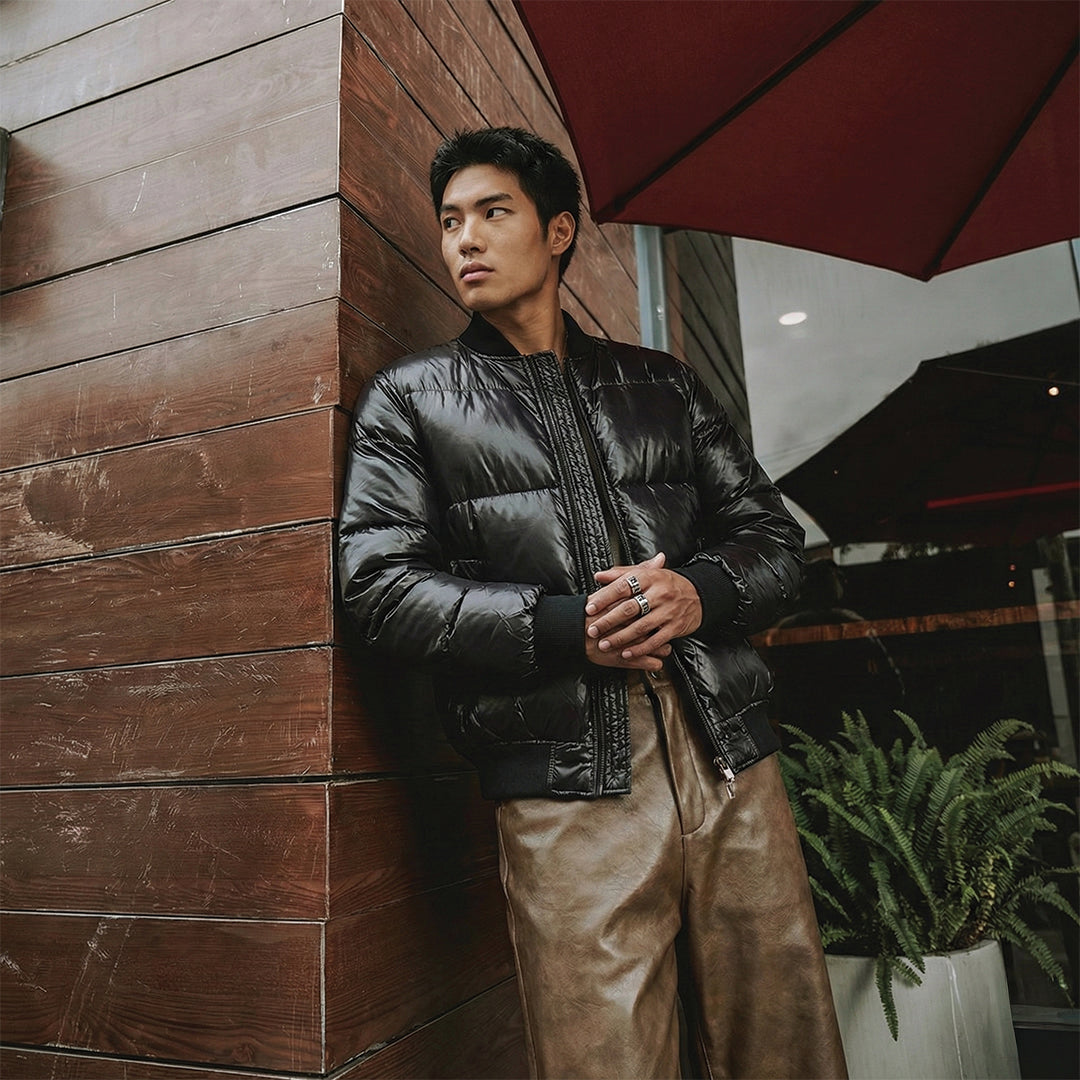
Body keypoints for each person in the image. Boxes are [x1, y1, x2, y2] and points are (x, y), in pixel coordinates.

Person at [338, 126, 847, 1080]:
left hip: (729, 760)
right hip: (567, 782)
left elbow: (777, 543)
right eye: (450, 221)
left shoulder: (664, 385)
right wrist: (564, 627)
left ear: (559, 231)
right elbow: (378, 589)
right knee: (603, 1060)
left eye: (493, 212)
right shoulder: (410, 401)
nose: (464, 239)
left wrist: (697, 593)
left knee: (785, 1045)